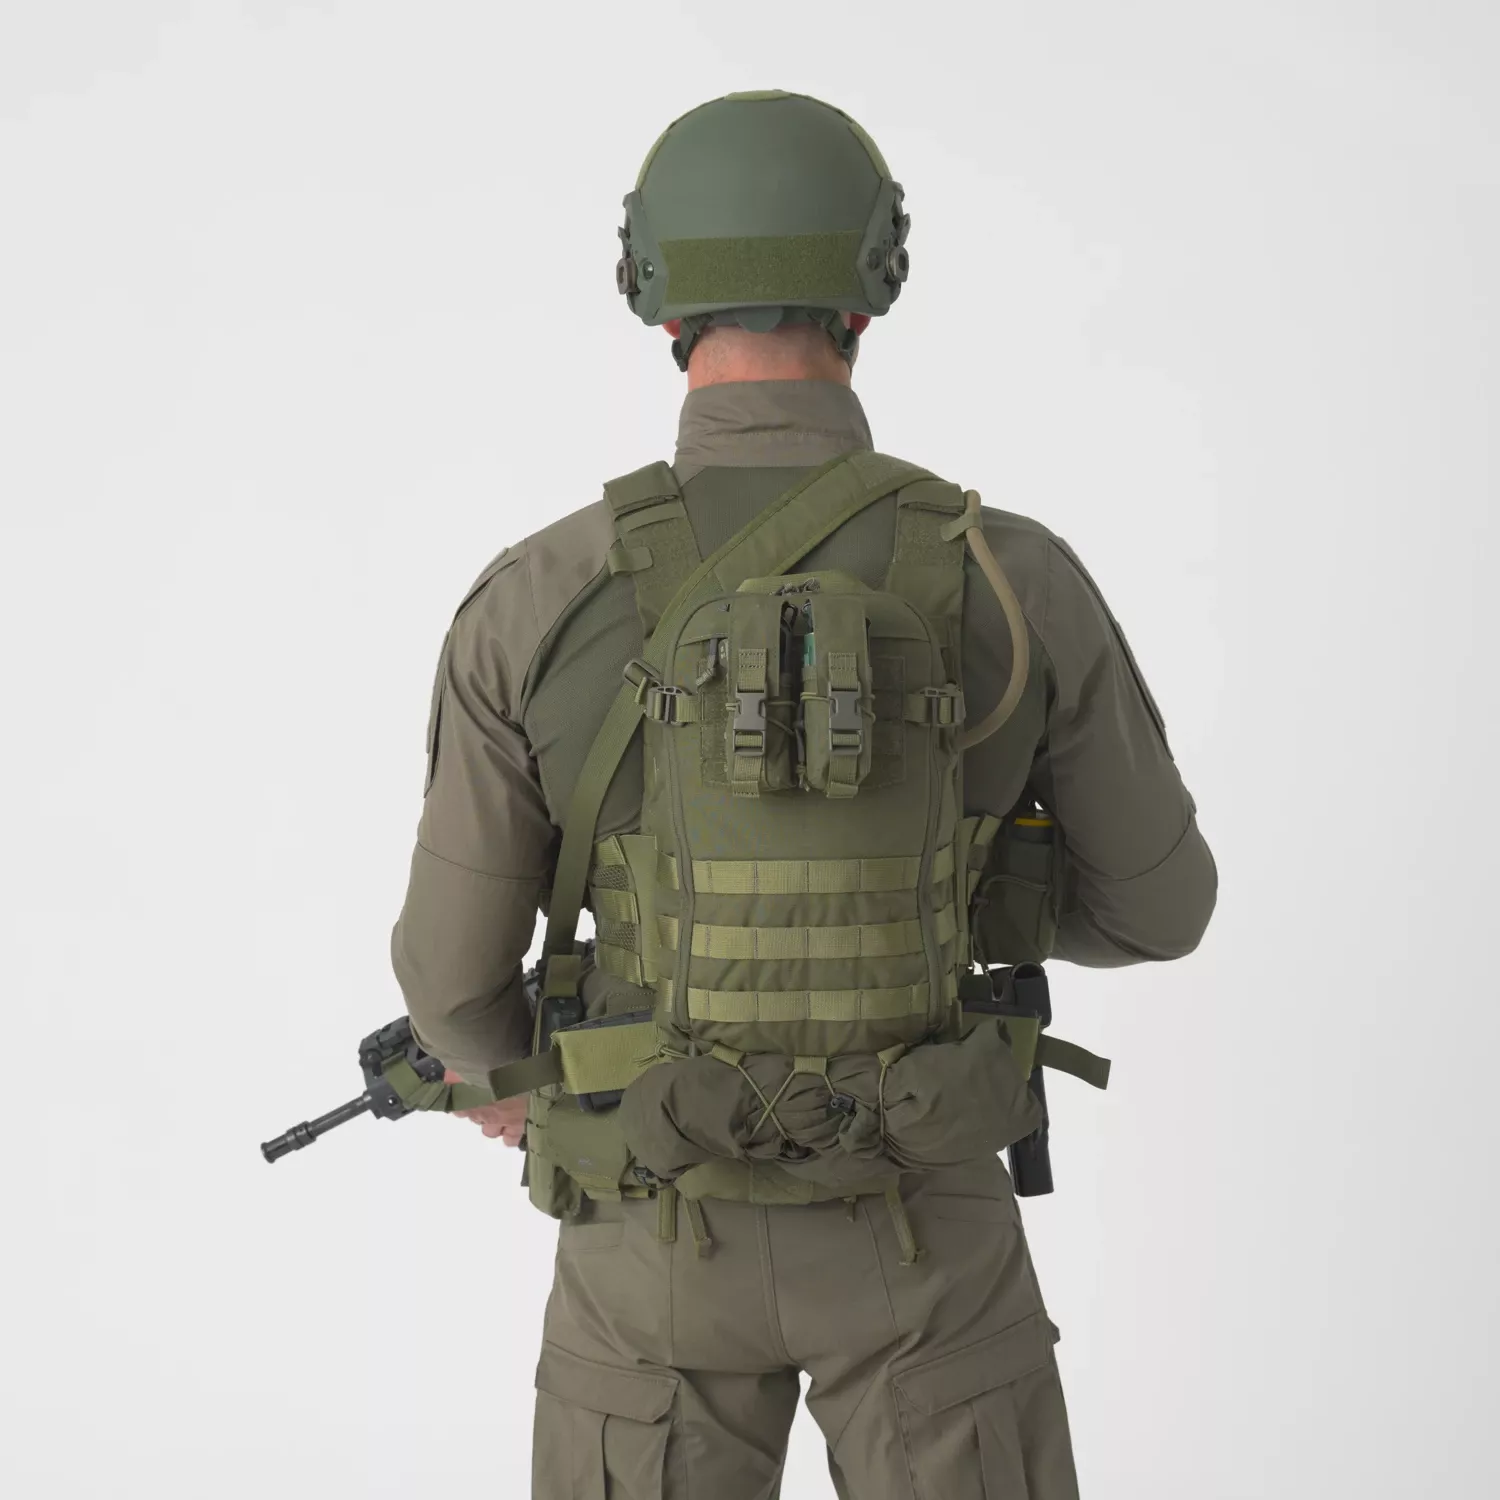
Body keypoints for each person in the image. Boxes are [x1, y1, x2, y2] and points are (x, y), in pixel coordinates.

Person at [391, 90, 1216, 1500]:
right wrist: (961, 894)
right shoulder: (1015, 578)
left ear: (656, 299)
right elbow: (1161, 909)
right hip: (928, 1226)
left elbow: (453, 988)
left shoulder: (535, 597)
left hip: (648, 1227)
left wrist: (505, 1080)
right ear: (869, 294)